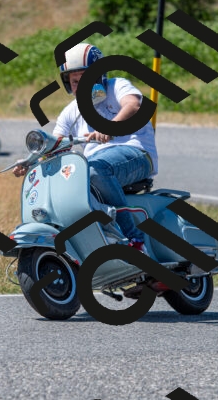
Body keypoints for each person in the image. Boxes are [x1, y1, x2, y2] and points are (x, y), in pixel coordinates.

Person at [14, 43, 158, 255]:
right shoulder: (70, 112)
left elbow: (133, 105)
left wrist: (110, 127)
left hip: (136, 154)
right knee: (69, 185)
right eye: (74, 81)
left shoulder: (117, 86)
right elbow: (55, 144)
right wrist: (30, 163)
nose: (80, 86)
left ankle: (134, 240)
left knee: (94, 171)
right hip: (95, 163)